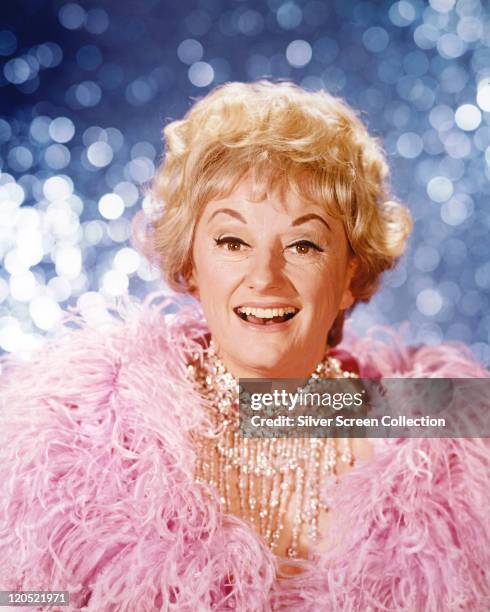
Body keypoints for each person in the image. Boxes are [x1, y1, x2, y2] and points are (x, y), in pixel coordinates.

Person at [0, 80, 488, 611]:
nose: (265, 277)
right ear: (190, 263)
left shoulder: (437, 435)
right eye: (232, 241)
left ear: (351, 271)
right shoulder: (73, 433)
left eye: (303, 244)